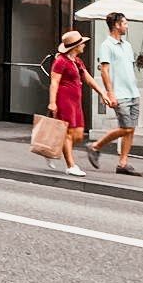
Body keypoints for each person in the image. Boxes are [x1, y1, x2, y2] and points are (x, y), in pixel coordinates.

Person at [47, 30, 112, 176]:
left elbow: (88, 78)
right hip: (64, 99)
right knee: (68, 133)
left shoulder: (77, 61)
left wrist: (102, 92)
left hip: (75, 100)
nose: (84, 45)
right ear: (75, 46)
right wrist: (52, 102)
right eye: (82, 43)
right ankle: (71, 166)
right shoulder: (61, 61)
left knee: (78, 134)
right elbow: (54, 82)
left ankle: (53, 149)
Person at [86, 12, 143, 176]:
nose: (127, 26)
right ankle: (95, 146)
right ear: (117, 25)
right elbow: (104, 71)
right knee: (125, 128)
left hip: (133, 92)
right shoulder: (107, 45)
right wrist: (110, 94)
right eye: (125, 23)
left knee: (131, 130)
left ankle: (123, 163)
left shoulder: (127, 45)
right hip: (119, 93)